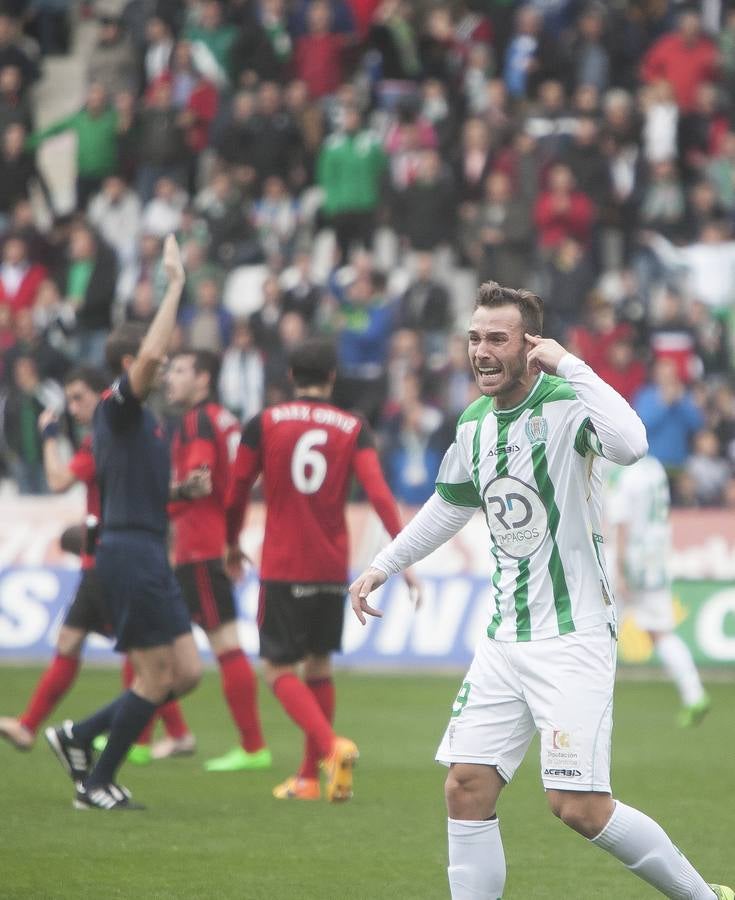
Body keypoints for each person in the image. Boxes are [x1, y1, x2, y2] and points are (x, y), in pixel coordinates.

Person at [348, 282, 732, 900]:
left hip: (572, 632)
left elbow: (632, 443)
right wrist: (381, 566)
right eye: (474, 338)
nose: (480, 351)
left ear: (531, 347)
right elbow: (448, 509)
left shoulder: (567, 404)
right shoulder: (474, 423)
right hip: (504, 636)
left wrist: (572, 365)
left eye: (496, 339)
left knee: (578, 805)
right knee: (466, 784)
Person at [45, 235, 203, 811]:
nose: (165, 368)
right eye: (156, 361)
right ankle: (95, 784)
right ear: (133, 364)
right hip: (129, 554)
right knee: (156, 674)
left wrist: (180, 492)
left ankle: (79, 735)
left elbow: (134, 488)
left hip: (145, 548)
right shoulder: (118, 404)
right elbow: (154, 356)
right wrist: (175, 288)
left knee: (185, 673)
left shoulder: (146, 424)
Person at [225, 337, 419, 803]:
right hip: (332, 567)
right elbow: (377, 493)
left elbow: (234, 489)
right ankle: (309, 779)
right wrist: (404, 553)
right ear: (333, 378)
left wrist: (230, 544)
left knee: (276, 670)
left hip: (283, 564)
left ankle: (333, 748)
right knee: (318, 665)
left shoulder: (265, 422)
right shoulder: (353, 427)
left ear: (291, 377)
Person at [165, 348, 270, 772]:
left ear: (203, 379)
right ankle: (146, 734)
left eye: (179, 369)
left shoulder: (197, 421)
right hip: (208, 544)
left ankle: (252, 746)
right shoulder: (223, 418)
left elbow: (200, 480)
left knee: (223, 644)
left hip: (197, 547)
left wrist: (155, 497)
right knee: (149, 640)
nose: (170, 377)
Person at [605, 454, 710, 727]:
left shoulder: (622, 474)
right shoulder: (654, 467)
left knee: (602, 632)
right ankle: (694, 694)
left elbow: (622, 525)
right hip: (656, 559)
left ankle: (596, 699)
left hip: (631, 560)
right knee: (661, 633)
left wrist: (620, 570)